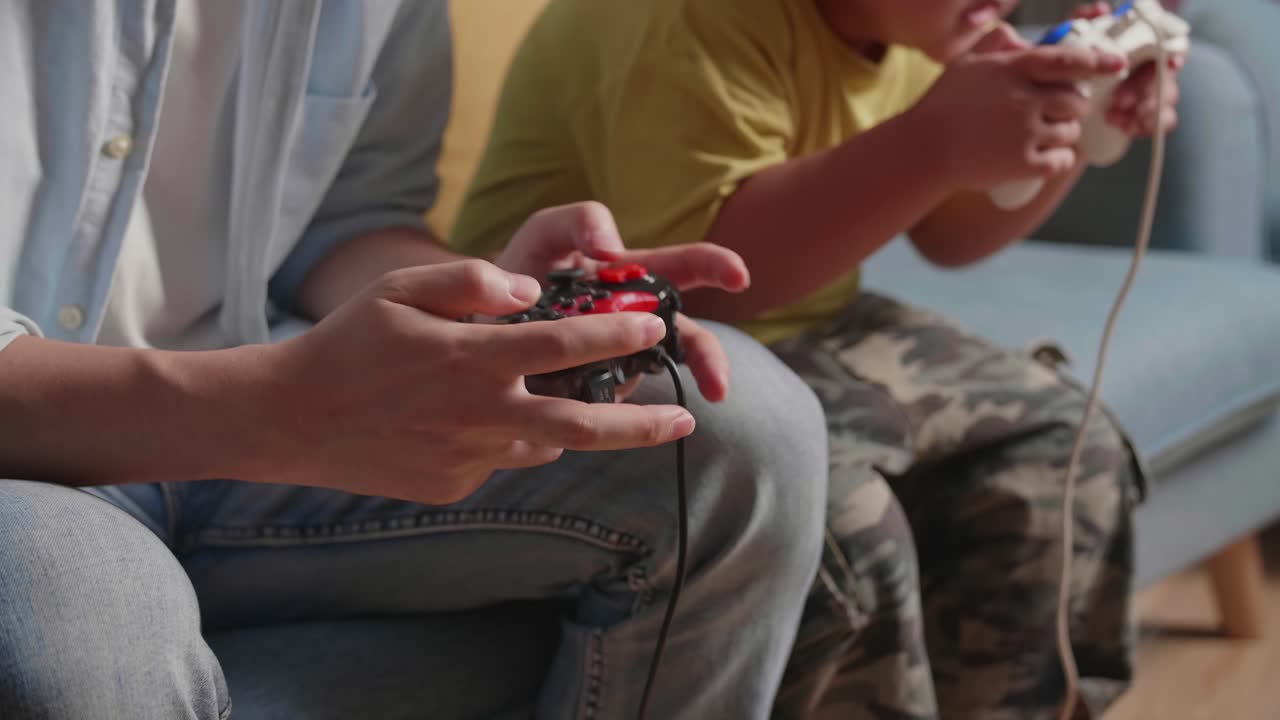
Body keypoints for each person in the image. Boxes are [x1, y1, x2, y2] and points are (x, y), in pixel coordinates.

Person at [0, 2, 832, 718]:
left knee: (747, 432)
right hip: (31, 457)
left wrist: (488, 312)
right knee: (69, 627)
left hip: (268, 390)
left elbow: (345, 216)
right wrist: (283, 409)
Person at [448, 0, 1185, 717]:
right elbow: (711, 286)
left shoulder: (922, 27)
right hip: (610, 346)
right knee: (844, 530)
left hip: (807, 321)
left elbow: (951, 237)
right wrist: (931, 142)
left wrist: (1075, 123)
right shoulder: (690, 21)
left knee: (1065, 442)